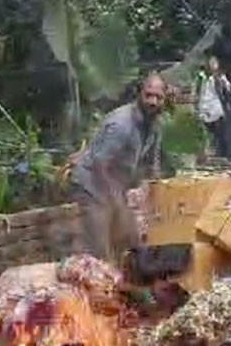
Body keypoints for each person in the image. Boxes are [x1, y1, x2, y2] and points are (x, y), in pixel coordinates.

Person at [70, 73, 166, 262]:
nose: (153, 101)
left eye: (158, 97)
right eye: (148, 95)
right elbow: (99, 164)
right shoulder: (122, 124)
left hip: (116, 187)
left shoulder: (154, 125)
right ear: (139, 94)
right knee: (100, 250)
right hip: (91, 184)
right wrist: (116, 200)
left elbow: (152, 166)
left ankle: (128, 286)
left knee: (131, 241)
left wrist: (157, 193)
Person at [193, 56, 231, 160]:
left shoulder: (220, 77)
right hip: (203, 110)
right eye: (209, 64)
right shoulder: (200, 77)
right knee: (203, 137)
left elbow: (228, 90)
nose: (211, 67)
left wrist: (221, 82)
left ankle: (221, 157)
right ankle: (204, 157)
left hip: (216, 111)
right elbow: (195, 93)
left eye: (214, 64)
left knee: (219, 137)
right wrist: (195, 107)